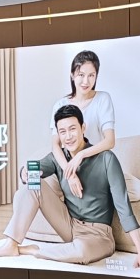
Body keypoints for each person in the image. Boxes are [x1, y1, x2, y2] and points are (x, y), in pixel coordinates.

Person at [0, 104, 140, 267]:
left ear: (83, 128)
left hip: (99, 235)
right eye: (62, 132)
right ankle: (11, 244)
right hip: (69, 226)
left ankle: (31, 251)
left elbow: (122, 205)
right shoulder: (58, 158)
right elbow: (32, 172)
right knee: (33, 184)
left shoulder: (106, 159)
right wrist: (24, 172)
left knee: (82, 251)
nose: (68, 136)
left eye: (72, 129)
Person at [51, 50, 116, 199]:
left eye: (91, 75)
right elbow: (55, 145)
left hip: (97, 164)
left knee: (137, 189)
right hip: (70, 166)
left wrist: (81, 155)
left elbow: (110, 140)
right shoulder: (60, 105)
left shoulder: (103, 99)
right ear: (72, 75)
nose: (86, 81)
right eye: (81, 74)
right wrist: (70, 172)